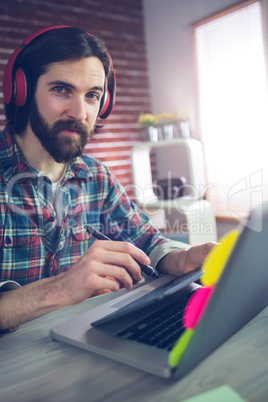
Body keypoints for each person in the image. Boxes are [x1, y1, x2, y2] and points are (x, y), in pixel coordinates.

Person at [0, 26, 214, 332]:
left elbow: (149, 243)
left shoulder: (97, 177)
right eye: (61, 89)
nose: (80, 112)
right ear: (20, 90)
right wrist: (62, 289)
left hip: (71, 351)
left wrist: (183, 259)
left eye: (92, 96)